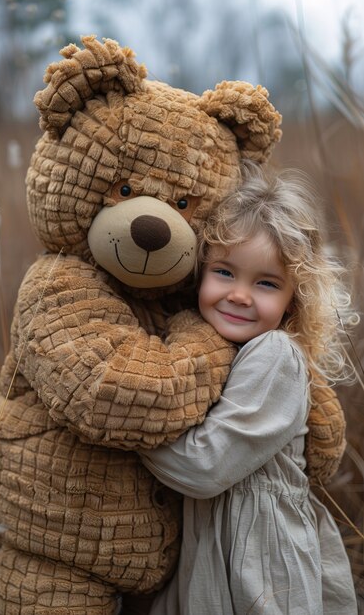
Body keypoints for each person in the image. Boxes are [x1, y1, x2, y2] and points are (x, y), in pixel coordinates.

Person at [140, 164, 359, 615]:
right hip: (214, 555)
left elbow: (204, 466)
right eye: (224, 272)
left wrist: (122, 430)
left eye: (265, 283)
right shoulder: (214, 352)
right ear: (200, 273)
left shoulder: (277, 355)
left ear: (293, 299)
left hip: (263, 568)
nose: (240, 295)